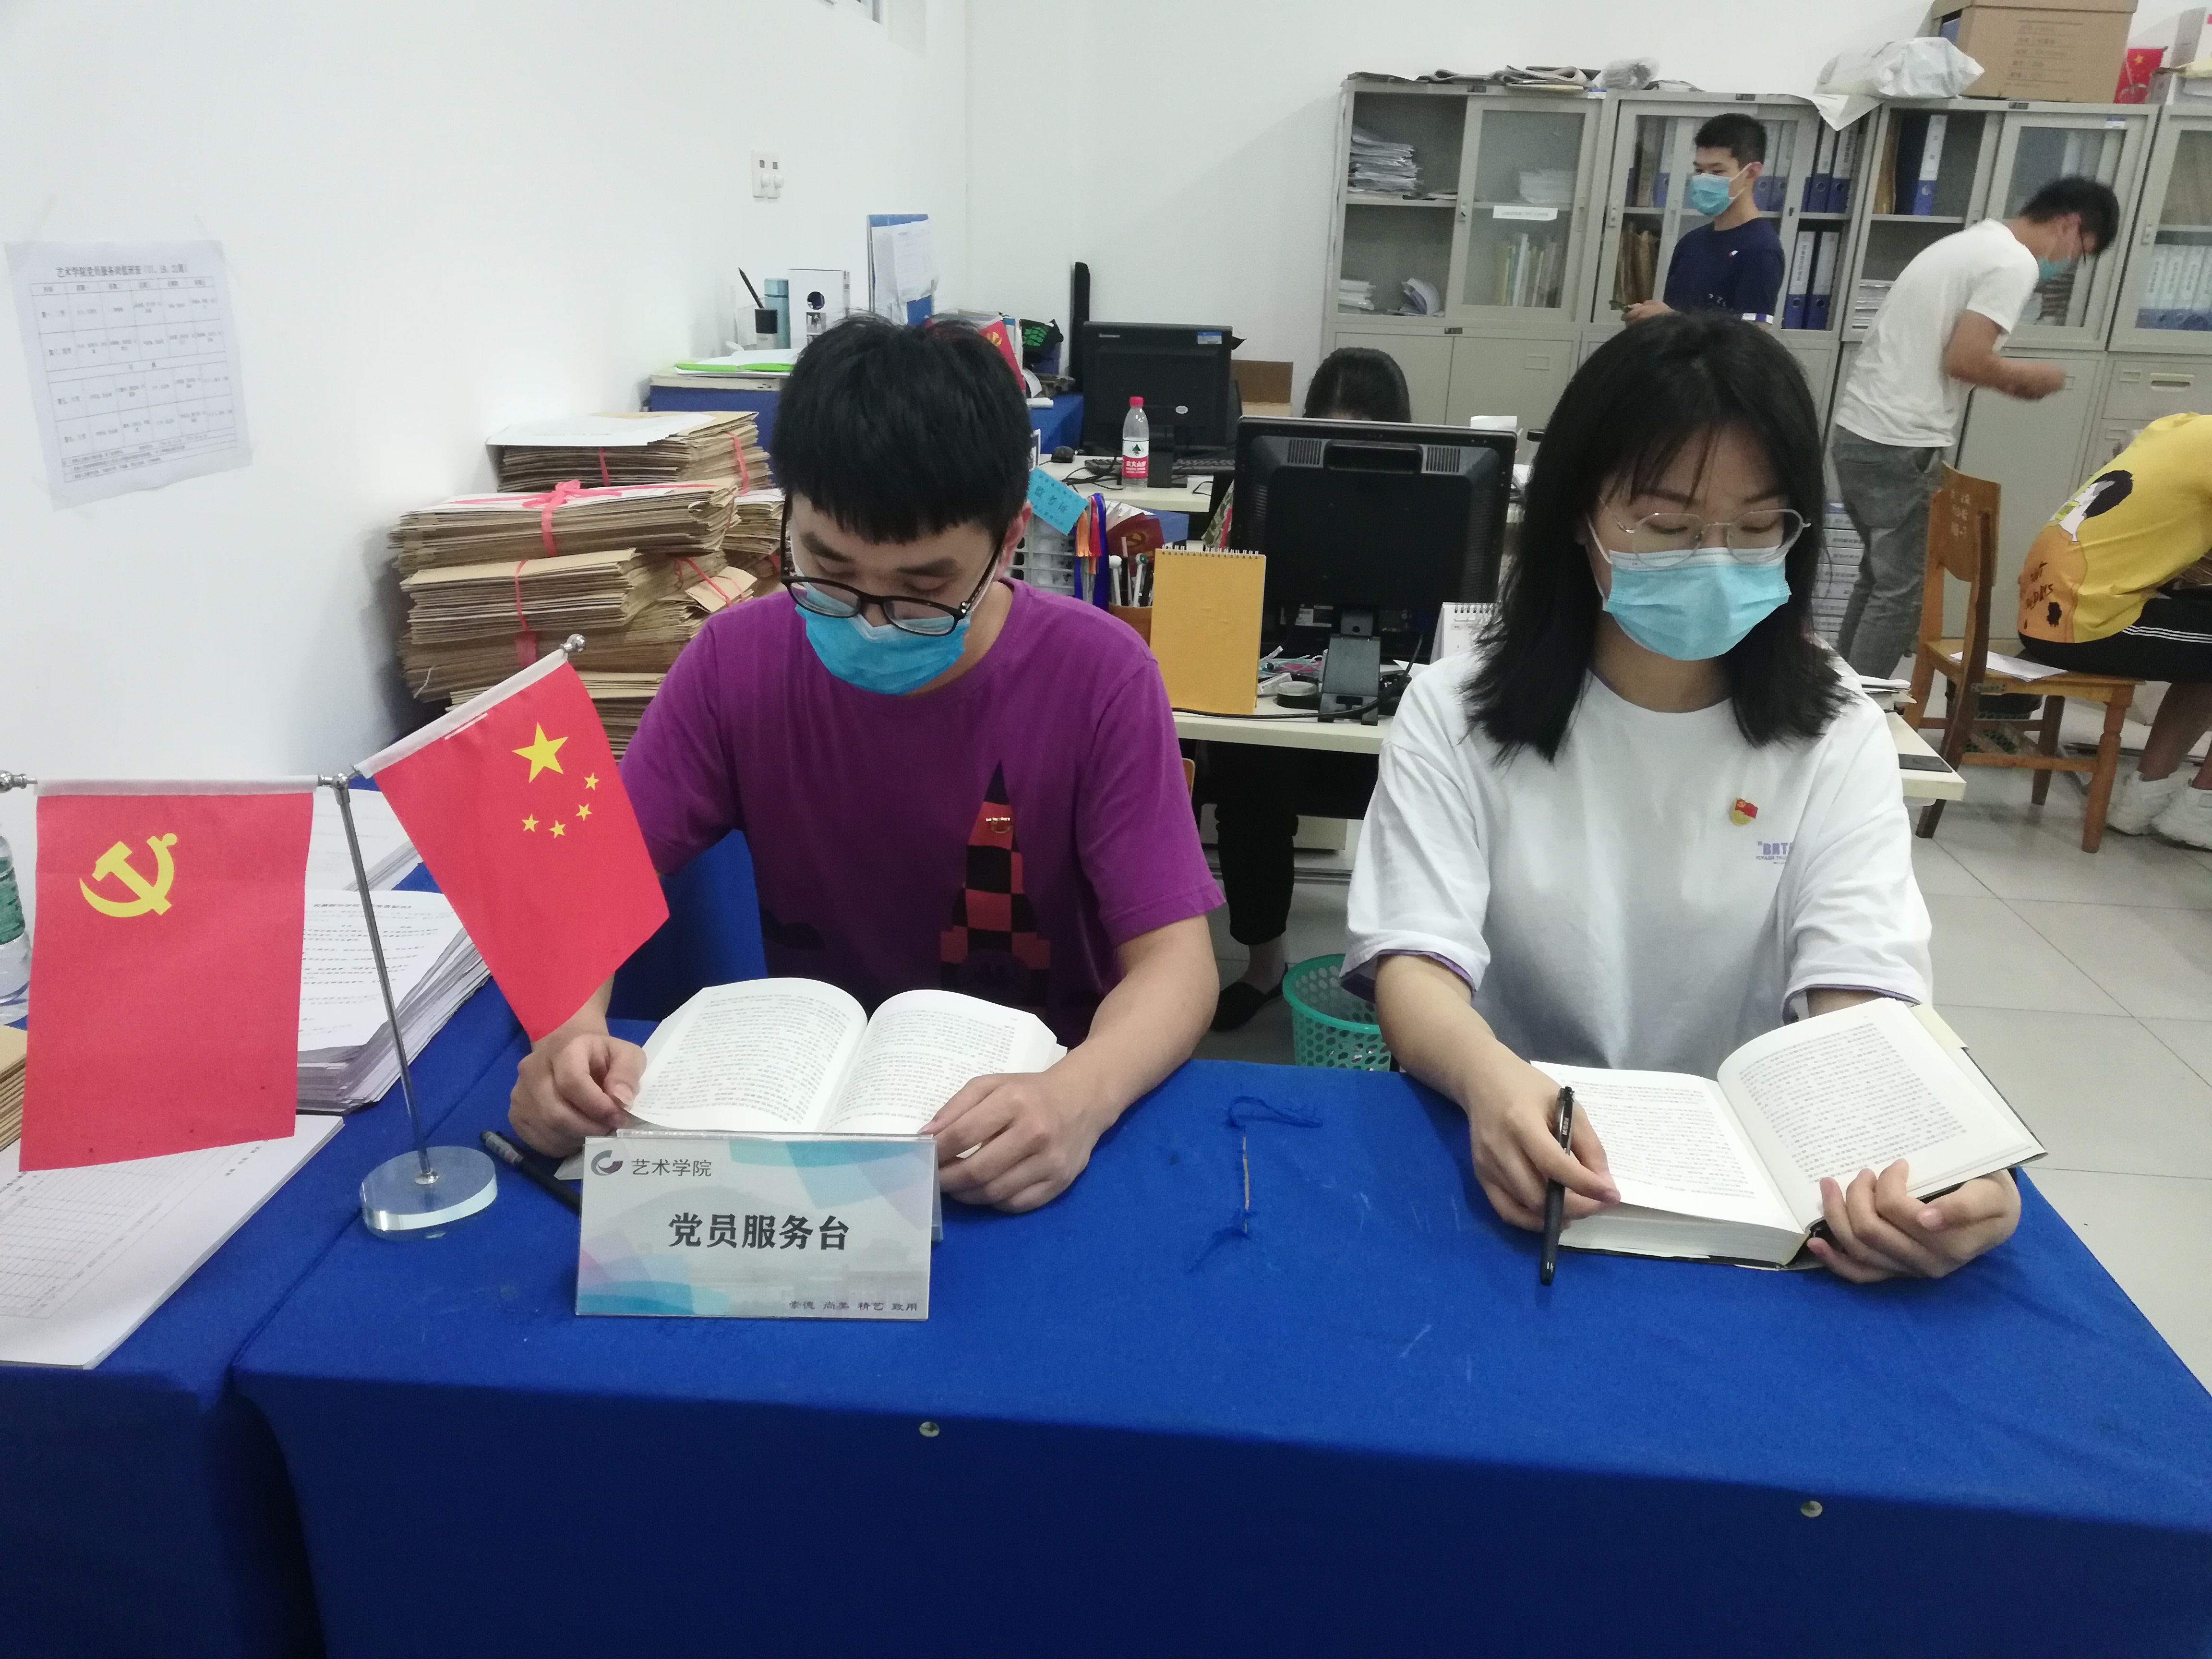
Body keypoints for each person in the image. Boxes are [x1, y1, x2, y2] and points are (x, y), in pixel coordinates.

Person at [1345, 312, 2020, 1283]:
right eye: (1665, 527)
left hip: (1757, 1185)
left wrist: (1935, 1165)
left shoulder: (1834, 729)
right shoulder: (1455, 711)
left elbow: (1859, 990)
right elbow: (1415, 962)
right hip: (1525, 1149)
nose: (1712, 559)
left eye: (1755, 529)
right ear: (1576, 516)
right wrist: (1492, 1084)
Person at [508, 315, 1222, 1212]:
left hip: (1025, 1121)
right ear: (787, 515)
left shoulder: (1099, 677)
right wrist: (568, 1034)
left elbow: (1178, 966)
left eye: (923, 589)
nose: (872, 621)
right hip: (811, 1125)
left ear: (1008, 541)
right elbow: (592, 878)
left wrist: (1080, 1096)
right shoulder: (734, 663)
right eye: (829, 570)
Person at [1830, 176, 2120, 680]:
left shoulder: (1968, 243)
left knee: (1879, 579)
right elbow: (1965, 359)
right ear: (2069, 224)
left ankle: (1838, 691)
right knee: (1902, 593)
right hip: (1902, 439)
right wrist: (2029, 377)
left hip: (1859, 431)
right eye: (2080, 251)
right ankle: (1857, 707)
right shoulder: (2013, 262)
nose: (2068, 264)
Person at [1207, 346, 1409, 1032]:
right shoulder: (1267, 481)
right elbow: (1220, 583)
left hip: (1396, 691)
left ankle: (1411, 984)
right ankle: (1264, 964)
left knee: (1439, 787)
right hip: (1283, 684)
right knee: (1245, 770)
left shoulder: (1432, 492)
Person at [2016, 412, 2212, 845]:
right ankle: (2202, 807)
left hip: (2047, 610)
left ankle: (2144, 797)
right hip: (2087, 623)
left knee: (2204, 638)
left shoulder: (2181, 427)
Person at [1622, 113, 1785, 325]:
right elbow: (1676, 318)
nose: (1704, 180)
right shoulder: (1691, 243)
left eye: (1717, 172)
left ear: (1751, 173)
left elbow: (1752, 337)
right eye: (1699, 170)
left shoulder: (1760, 250)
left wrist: (1671, 319)